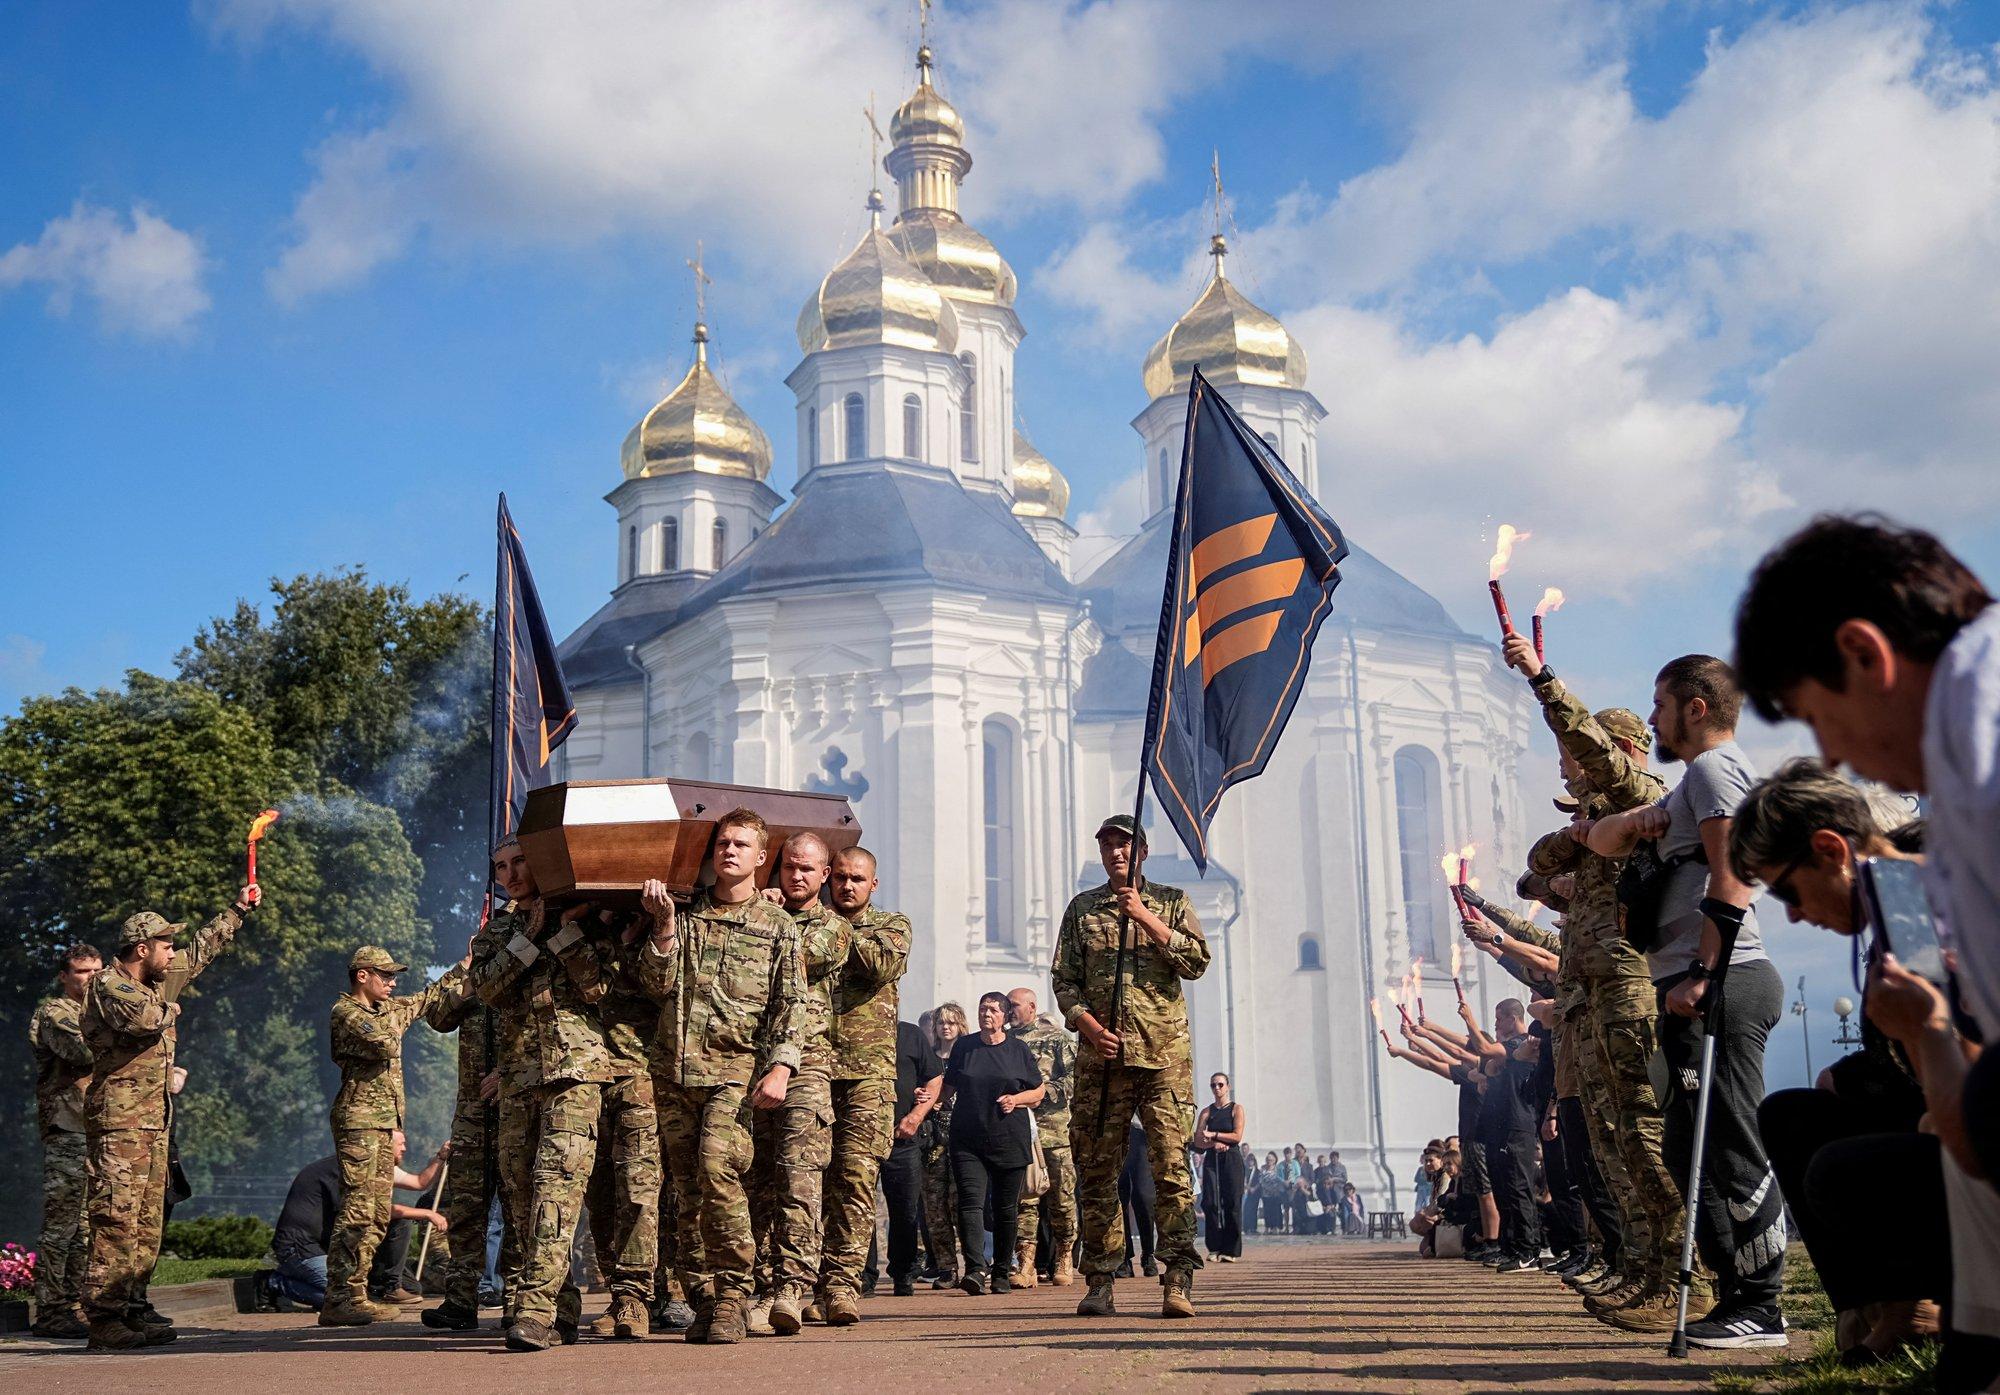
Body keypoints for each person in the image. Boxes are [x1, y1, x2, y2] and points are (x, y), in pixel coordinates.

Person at [1585, 654, 1786, 1344]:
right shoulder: (1688, 785)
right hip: (1690, 986)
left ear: (1695, 707)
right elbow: (1605, 839)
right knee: (1685, 1146)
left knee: (1731, 1144)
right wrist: (1642, 817)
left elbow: (1735, 873)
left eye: (1660, 703)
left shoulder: (1712, 770)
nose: (1651, 718)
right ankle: (1737, 1296)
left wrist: (1706, 972)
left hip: (1721, 981)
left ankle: (1763, 1303)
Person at [1504, 632, 1685, 1332]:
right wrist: (1577, 840)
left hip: (1633, 993)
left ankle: (1676, 1276)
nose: (1567, 768)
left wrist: (1540, 676)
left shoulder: (1642, 795)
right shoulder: (1602, 819)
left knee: (1641, 1134)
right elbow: (1537, 863)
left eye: (1577, 756)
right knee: (1612, 1142)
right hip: (1595, 1000)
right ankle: (1643, 1268)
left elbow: (1590, 754)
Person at [640, 808, 806, 1346]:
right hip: (673, 1073)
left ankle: (734, 1291)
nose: (729, 852)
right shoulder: (685, 915)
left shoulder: (777, 926)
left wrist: (780, 1067)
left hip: (732, 1074)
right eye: (722, 844)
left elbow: (791, 1005)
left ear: (761, 858)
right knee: (686, 1192)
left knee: (718, 1172)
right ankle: (705, 1297)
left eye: (741, 845)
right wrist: (663, 931)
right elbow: (655, 986)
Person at [80, 885, 259, 1350]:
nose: (173, 952)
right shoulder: (109, 983)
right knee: (116, 1217)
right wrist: (171, 1005)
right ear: (142, 949)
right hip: (119, 1123)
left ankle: (133, 1308)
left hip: (154, 1122)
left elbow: (201, 950)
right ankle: (103, 1318)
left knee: (146, 1221)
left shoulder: (156, 978)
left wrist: (239, 910)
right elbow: (143, 1018)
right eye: (165, 945)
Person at [1054, 812, 1211, 1319]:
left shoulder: (1170, 902)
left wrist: (1146, 918)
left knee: (1170, 1169)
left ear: (1142, 852)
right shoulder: (1083, 909)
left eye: (1124, 846)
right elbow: (1064, 980)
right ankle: (1100, 1279)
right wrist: (1087, 1025)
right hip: (1104, 1061)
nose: (1115, 853)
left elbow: (1197, 962)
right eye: (1107, 847)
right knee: (1098, 1171)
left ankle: (1178, 1277)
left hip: (1163, 1058)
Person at [469, 842, 617, 1352]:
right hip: (517, 1080)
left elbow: (598, 988)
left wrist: (564, 930)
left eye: (519, 862)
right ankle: (563, 1308)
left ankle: (533, 1312)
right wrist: (528, 936)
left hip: (575, 1074)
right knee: (525, 1201)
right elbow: (485, 991)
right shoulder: (496, 935)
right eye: (501, 868)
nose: (510, 874)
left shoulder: (589, 921)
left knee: (557, 1191)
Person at [320, 944, 463, 1327]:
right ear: (362, 975)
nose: (393, 982)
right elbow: (385, 1041)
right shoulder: (347, 1012)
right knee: (359, 1209)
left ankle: (354, 1294)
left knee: (378, 1212)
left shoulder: (384, 1010)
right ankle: (340, 1295)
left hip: (382, 1124)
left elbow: (425, 999)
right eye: (385, 976)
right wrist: (398, 1013)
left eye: (393, 976)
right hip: (359, 1123)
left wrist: (464, 964)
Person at [749, 832, 849, 1335]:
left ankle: (793, 1286)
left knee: (799, 1178)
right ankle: (760, 1286)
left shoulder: (832, 928)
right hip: (751, 1063)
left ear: (824, 875)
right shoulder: (756, 913)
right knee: (756, 1181)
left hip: (806, 1065)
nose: (797, 876)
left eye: (808, 869)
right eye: (789, 867)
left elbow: (789, 960)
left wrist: (772, 917)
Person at [815, 844, 912, 1325]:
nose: (848, 886)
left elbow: (879, 964)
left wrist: (826, 919)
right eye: (841, 878)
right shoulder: (803, 923)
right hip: (811, 1070)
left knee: (855, 1180)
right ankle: (804, 1282)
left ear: (873, 884)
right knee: (807, 1184)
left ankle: (842, 1286)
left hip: (867, 1076)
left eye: (857, 879)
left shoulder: (892, 926)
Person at [579, 902, 664, 1341]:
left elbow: (661, 985)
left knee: (637, 1189)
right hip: (585, 1077)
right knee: (598, 1194)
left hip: (637, 1075)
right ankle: (618, 1292)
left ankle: (637, 1297)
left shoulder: (660, 926)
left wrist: (637, 935)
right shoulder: (578, 927)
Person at [419, 915, 507, 1334]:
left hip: (518, 1107)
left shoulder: (519, 976)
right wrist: (465, 969)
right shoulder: (473, 984)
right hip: (472, 1113)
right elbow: (438, 1017)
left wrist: (511, 1071)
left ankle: (523, 1301)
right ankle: (460, 1300)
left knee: (520, 1208)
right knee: (467, 1207)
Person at [270, 1131, 450, 1310]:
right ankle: (273, 1282)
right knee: (343, 1296)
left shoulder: (379, 1165)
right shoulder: (347, 1168)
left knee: (411, 1285)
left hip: (332, 1245)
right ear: (383, 1145)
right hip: (301, 1247)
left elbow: (419, 1182)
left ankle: (390, 1286)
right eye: (400, 1144)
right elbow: (368, 1209)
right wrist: (426, 1214)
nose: (404, 1148)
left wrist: (441, 1156)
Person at [940, 992, 1046, 1294]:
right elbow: (948, 1087)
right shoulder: (965, 1047)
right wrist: (927, 1102)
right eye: (983, 1009)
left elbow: (1038, 1092)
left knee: (1004, 1208)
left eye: (994, 1010)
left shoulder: (1018, 1050)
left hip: (1009, 1139)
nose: (987, 1014)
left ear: (1004, 1017)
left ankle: (1001, 1271)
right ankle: (975, 1269)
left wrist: (1016, 1099)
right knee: (970, 1203)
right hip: (968, 1140)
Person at [29, 942, 100, 1339]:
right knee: (62, 1224)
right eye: (81, 972)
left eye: (95, 971)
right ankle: (52, 1308)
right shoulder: (56, 1012)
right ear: (64, 976)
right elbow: (84, 1053)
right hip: (67, 1127)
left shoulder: (96, 1012)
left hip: (92, 1127)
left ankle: (75, 1304)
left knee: (86, 1226)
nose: (89, 979)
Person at [1006, 985, 1076, 1287]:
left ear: (1032, 1007)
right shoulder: (1003, 1043)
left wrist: (1042, 1093)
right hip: (1020, 1133)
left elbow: (1075, 1078)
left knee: (1062, 1200)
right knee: (1026, 1201)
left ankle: (1064, 1256)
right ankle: (1026, 1265)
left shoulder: (1057, 1038)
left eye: (1014, 1005)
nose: (1009, 1011)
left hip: (1054, 1133)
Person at [883, 1019, 944, 1295]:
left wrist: (916, 1117)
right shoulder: (847, 1027)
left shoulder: (909, 1033)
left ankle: (903, 1272)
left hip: (903, 1136)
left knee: (905, 1208)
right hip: (860, 1135)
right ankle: (862, 1275)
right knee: (855, 1205)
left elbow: (934, 1077)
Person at [922, 1002, 969, 1286]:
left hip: (964, 1136)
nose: (946, 1027)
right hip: (933, 1140)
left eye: (952, 1022)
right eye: (941, 1023)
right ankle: (946, 1266)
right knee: (934, 1205)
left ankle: (975, 1263)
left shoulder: (970, 1054)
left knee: (962, 1203)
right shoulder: (928, 1057)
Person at [1191, 1072, 1245, 1262]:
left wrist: (1213, 1135)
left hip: (1231, 1159)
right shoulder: (1206, 1112)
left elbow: (1237, 1136)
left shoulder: (1236, 1109)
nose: (1217, 1089)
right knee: (1211, 1202)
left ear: (1228, 1086)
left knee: (1232, 1202)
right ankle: (1214, 1248)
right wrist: (1214, 1143)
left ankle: (1231, 1250)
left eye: (1221, 1085)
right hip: (1212, 1158)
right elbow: (1198, 1140)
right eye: (1213, 1085)